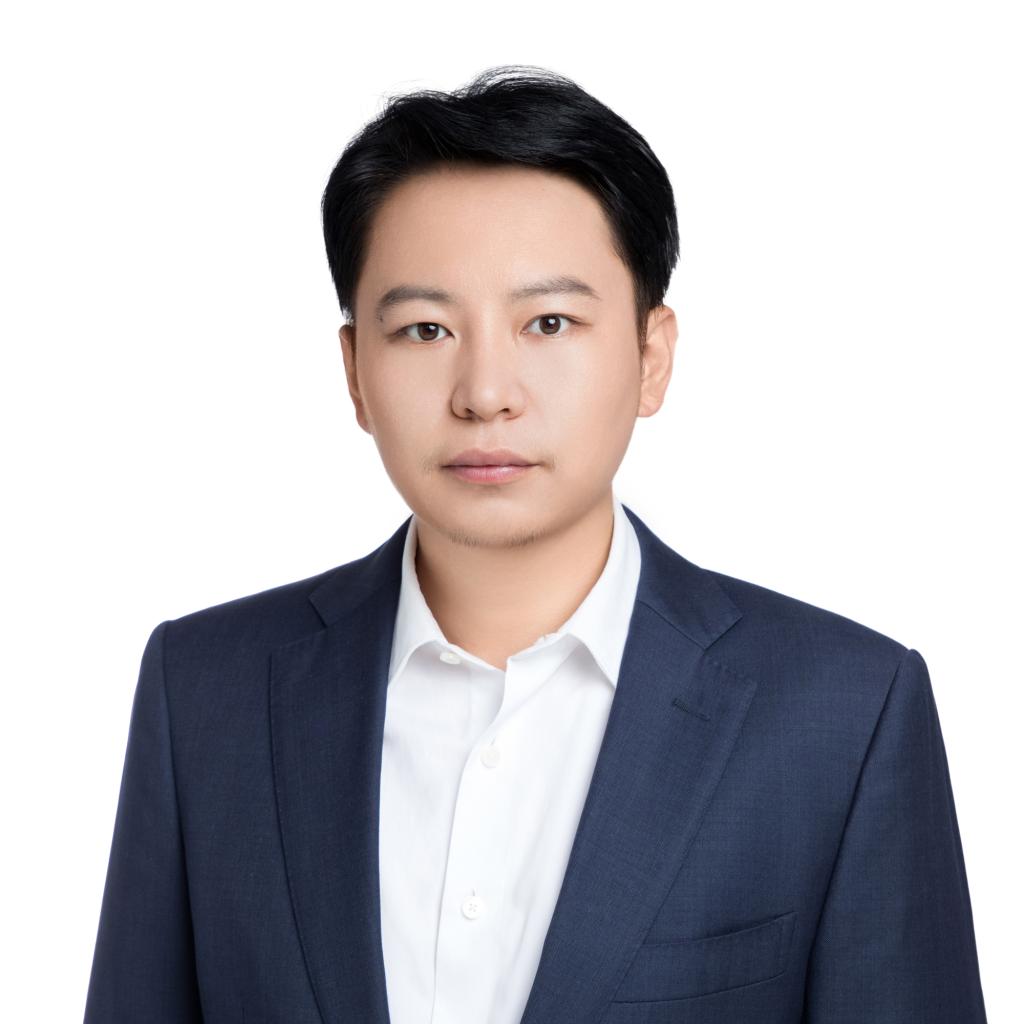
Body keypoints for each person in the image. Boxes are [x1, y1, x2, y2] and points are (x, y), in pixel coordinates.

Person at [84, 64, 988, 1023]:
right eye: (425, 329)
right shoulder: (206, 691)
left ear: (652, 356)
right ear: (354, 373)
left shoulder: (844, 713)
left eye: (549, 323)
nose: (485, 393)